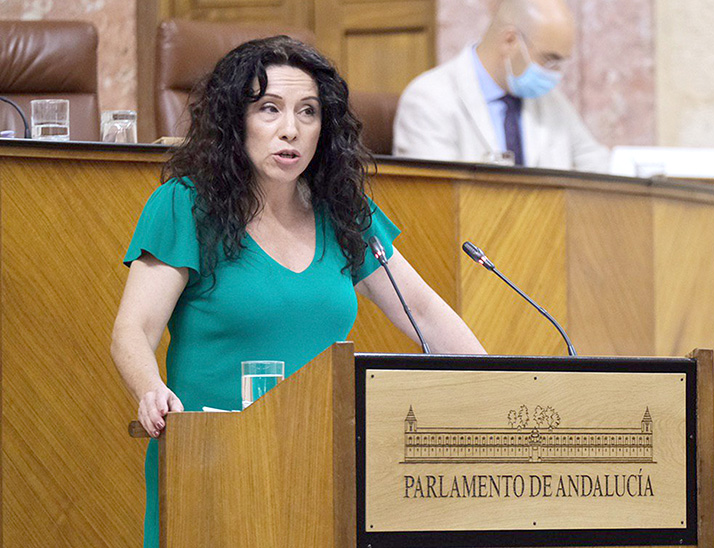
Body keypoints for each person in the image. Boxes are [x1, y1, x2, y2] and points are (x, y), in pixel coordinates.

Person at [110, 35, 486, 548]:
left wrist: (494, 383)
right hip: (214, 464)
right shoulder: (185, 205)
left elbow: (422, 310)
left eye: (308, 112)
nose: (290, 129)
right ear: (235, 120)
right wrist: (149, 389)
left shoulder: (344, 213)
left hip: (323, 466)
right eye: (269, 109)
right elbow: (134, 329)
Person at [393, 0, 609, 171]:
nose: (554, 73)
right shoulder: (428, 98)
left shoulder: (551, 101)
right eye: (549, 59)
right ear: (510, 40)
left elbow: (598, 167)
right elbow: (436, 199)